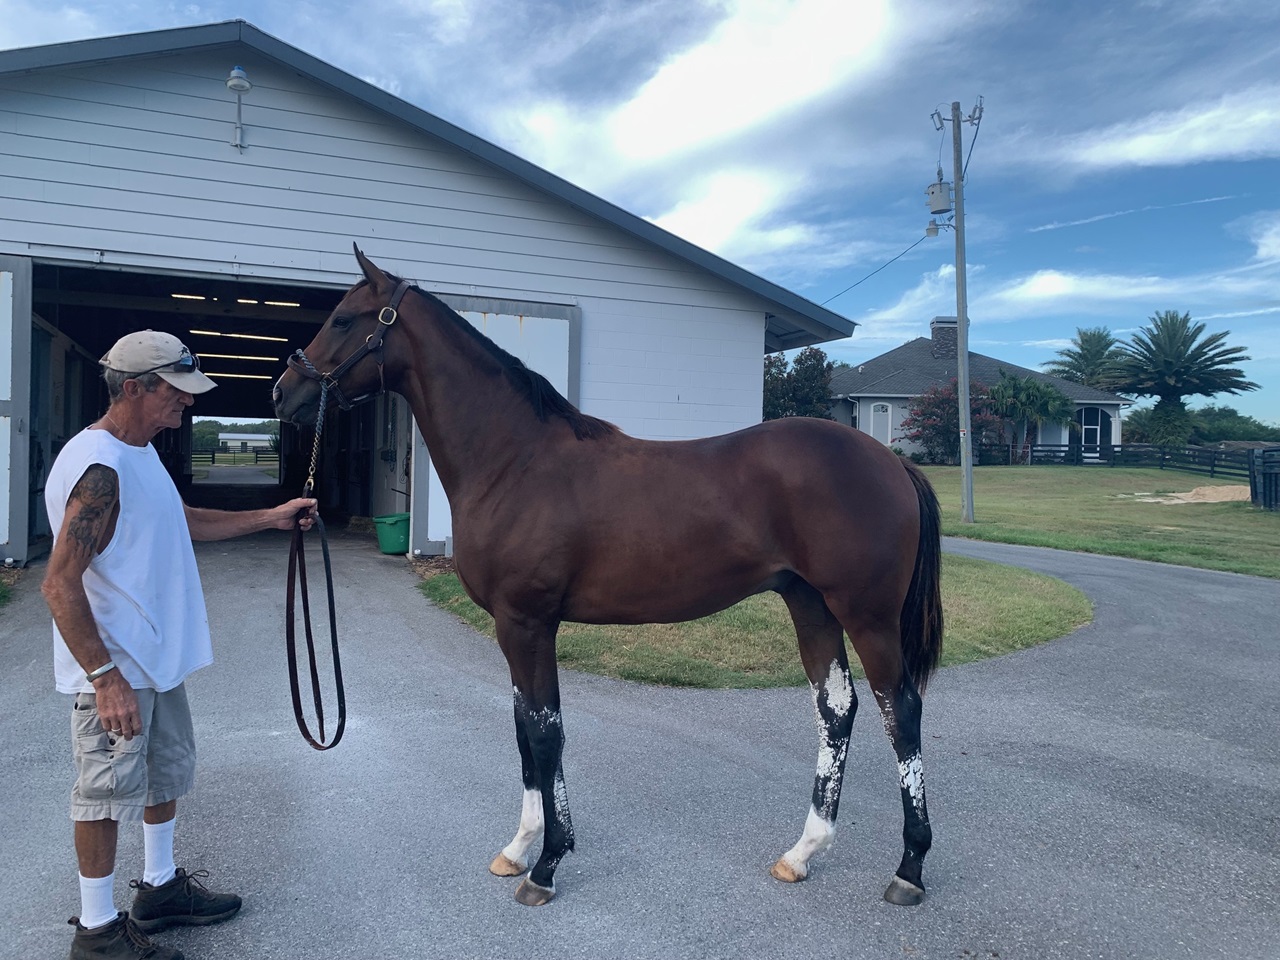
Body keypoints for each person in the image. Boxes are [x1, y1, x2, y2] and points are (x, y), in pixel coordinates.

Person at [41, 330, 317, 960]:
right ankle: (97, 930)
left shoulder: (139, 453)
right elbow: (59, 584)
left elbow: (180, 518)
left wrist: (270, 518)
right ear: (134, 389)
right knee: (104, 794)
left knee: (163, 775)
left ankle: (160, 890)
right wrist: (104, 676)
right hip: (118, 670)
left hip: (156, 661)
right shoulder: (99, 469)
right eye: (175, 392)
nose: (186, 405)